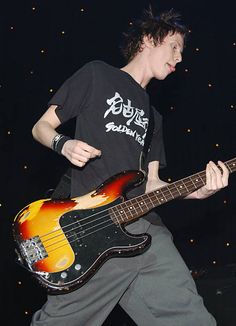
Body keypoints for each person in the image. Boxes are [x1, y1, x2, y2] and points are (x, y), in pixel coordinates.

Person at [30, 7, 229, 326]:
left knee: (192, 319)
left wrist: (199, 192)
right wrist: (63, 144)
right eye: (174, 46)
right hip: (94, 231)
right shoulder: (98, 74)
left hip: (148, 232)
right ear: (150, 39)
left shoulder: (154, 118)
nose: (179, 58)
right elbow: (41, 127)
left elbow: (151, 184)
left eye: (182, 52)